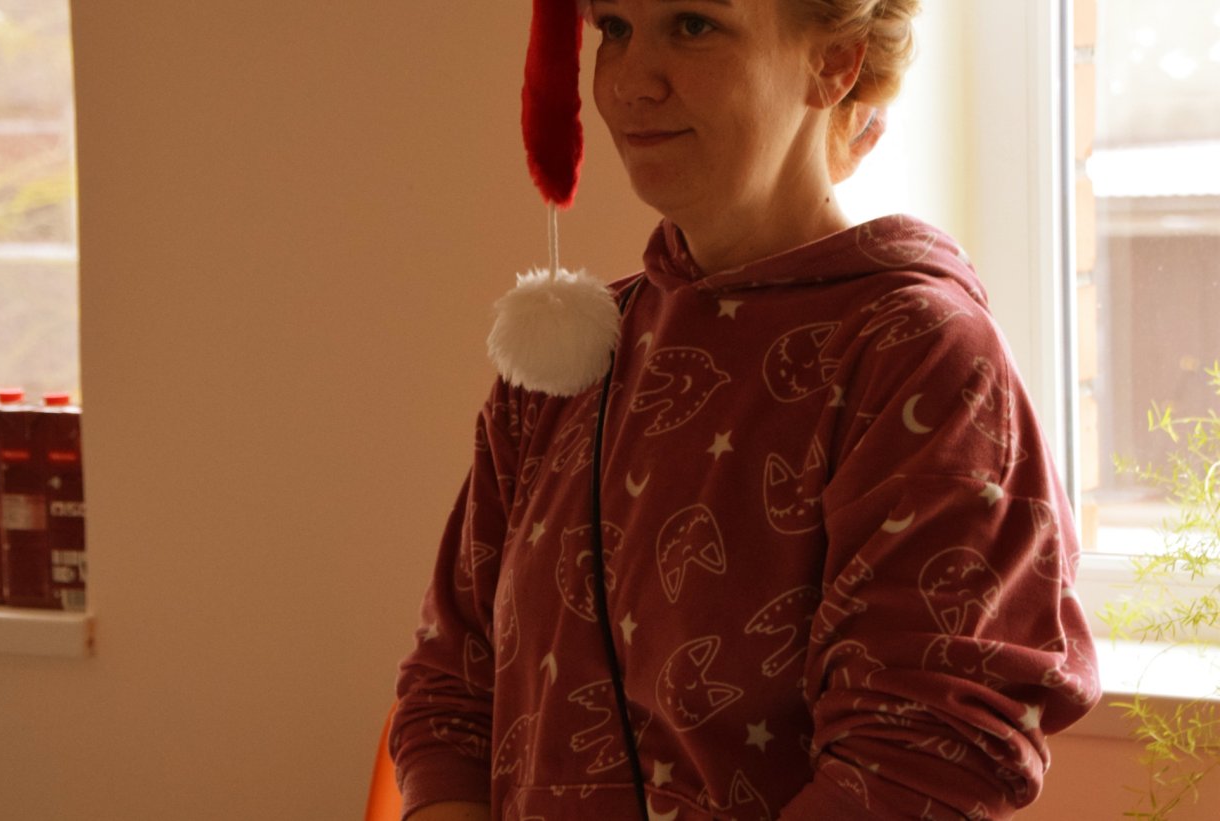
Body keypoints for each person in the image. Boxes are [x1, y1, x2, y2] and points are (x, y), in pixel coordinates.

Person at [391, 1, 1100, 819]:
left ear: (835, 60)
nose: (629, 84)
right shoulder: (566, 361)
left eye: (694, 24)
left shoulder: (918, 358)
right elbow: (451, 693)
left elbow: (921, 758)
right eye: (615, 27)